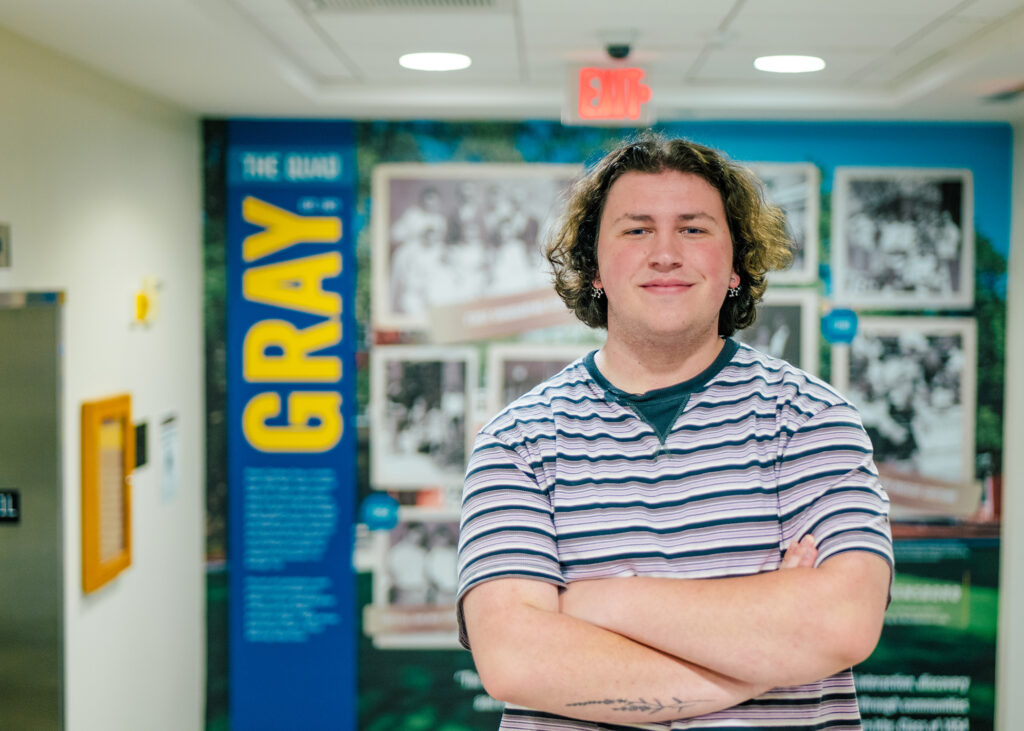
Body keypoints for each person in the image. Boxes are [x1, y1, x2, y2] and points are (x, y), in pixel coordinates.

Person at [456, 135, 893, 729]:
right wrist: (768, 658)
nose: (665, 253)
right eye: (636, 230)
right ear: (595, 268)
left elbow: (840, 624)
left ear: (735, 263)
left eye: (693, 229)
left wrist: (599, 601)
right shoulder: (518, 441)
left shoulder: (812, 419)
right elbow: (517, 661)